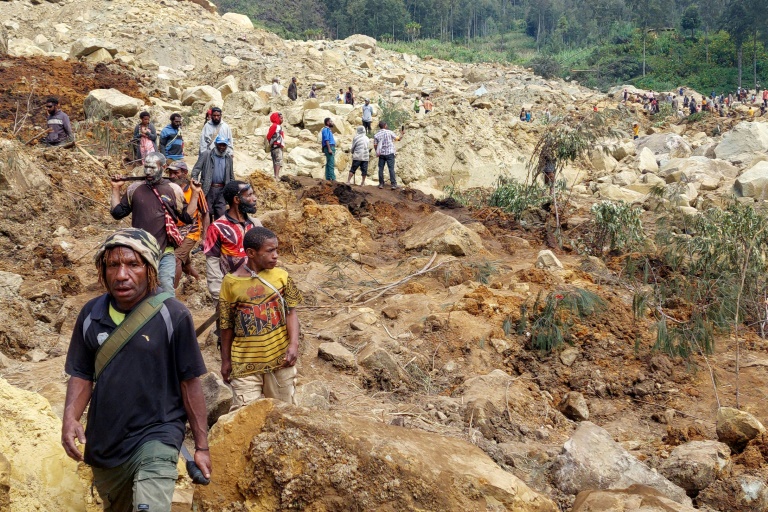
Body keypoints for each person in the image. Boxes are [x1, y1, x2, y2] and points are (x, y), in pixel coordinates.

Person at [62, 228, 211, 512]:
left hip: (159, 434)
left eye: (133, 264)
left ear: (150, 270)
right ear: (102, 271)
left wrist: (201, 446)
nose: (121, 275)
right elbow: (81, 374)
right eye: (113, 265)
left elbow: (189, 383)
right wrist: (70, 418)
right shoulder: (90, 315)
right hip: (107, 442)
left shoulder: (173, 315)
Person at [219, 226, 303, 407]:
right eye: (270, 250)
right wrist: (226, 360)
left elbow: (291, 312)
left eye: (277, 250)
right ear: (251, 252)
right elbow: (226, 325)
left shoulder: (282, 277)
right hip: (245, 364)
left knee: (284, 413)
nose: (276, 255)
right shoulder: (231, 283)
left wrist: (294, 344)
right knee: (245, 417)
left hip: (280, 360)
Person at [110, 152, 201, 296]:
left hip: (165, 252)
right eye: (146, 167)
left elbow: (186, 217)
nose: (148, 172)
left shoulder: (173, 189)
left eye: (152, 168)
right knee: (141, 292)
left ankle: (168, 317)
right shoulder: (134, 189)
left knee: (166, 290)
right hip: (140, 253)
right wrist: (115, 188)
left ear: (163, 167)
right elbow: (117, 213)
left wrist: (195, 194)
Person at [203, 180, 260, 305]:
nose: (254, 199)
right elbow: (212, 263)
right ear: (237, 199)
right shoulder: (217, 228)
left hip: (257, 291)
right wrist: (218, 296)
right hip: (230, 293)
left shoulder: (256, 225)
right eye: (249, 195)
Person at [167, 161, 204, 287]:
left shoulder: (195, 190)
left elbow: (205, 213)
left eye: (176, 173)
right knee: (184, 262)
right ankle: (198, 279)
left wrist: (206, 237)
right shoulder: (168, 189)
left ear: (185, 173)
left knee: (176, 259)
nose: (172, 176)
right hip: (173, 231)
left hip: (191, 231)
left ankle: (171, 294)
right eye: (170, 172)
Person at [192, 135, 234, 221]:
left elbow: (231, 176)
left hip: (222, 189)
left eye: (224, 145)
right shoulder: (206, 154)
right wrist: (195, 181)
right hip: (208, 188)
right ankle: (208, 233)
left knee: (221, 213)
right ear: (215, 144)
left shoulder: (228, 158)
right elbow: (196, 169)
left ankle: (218, 232)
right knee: (207, 212)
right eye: (220, 145)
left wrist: (231, 189)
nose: (222, 147)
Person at [373, 121, 404, 190]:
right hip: (390, 153)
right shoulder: (389, 132)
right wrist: (402, 134)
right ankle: (393, 184)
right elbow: (398, 139)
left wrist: (377, 152)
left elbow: (375, 145)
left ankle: (381, 184)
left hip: (381, 154)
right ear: (385, 125)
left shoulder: (376, 135)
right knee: (391, 169)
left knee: (380, 169)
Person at [266, 112, 286, 180]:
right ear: (277, 118)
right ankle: (276, 176)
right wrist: (272, 142)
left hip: (276, 146)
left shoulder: (278, 126)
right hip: (276, 146)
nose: (282, 119)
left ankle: (275, 175)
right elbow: (269, 136)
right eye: (281, 118)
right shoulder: (275, 126)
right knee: (278, 161)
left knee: (275, 161)